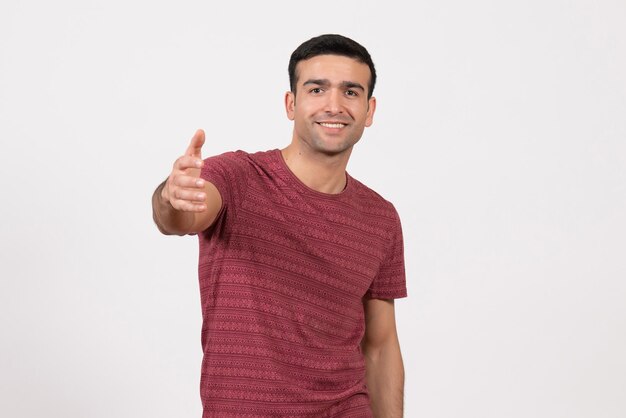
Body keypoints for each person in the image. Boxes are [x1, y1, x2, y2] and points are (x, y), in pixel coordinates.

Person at [152, 34, 407, 418]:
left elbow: (381, 344)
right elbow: (181, 219)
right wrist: (172, 198)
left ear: (369, 110)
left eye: (351, 92)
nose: (334, 105)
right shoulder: (237, 177)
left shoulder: (381, 216)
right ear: (292, 103)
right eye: (317, 89)